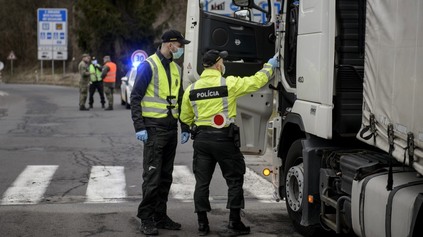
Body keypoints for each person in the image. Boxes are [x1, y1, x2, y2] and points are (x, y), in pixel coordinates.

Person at [179, 50, 278, 236]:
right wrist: (269, 66)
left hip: (201, 140)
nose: (223, 64)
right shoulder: (229, 83)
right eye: (222, 61)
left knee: (202, 183)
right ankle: (234, 222)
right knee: (234, 180)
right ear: (218, 64)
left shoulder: (191, 90)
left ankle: (202, 224)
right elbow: (256, 81)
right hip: (224, 140)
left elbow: (185, 116)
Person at [130, 29, 191, 236]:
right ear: (169, 44)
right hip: (153, 130)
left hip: (170, 129)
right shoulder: (149, 66)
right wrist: (139, 127)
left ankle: (160, 215)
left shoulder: (176, 68)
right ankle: (146, 217)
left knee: (165, 177)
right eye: (179, 45)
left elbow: (181, 99)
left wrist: (185, 126)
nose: (181, 48)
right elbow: (136, 97)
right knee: (152, 177)